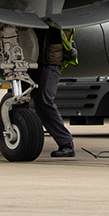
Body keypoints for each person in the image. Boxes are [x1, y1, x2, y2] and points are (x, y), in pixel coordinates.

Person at [31, 29, 78, 158]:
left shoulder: (59, 20)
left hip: (50, 63)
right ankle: (8, 136)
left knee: (44, 100)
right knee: (18, 99)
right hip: (32, 60)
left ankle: (66, 144)